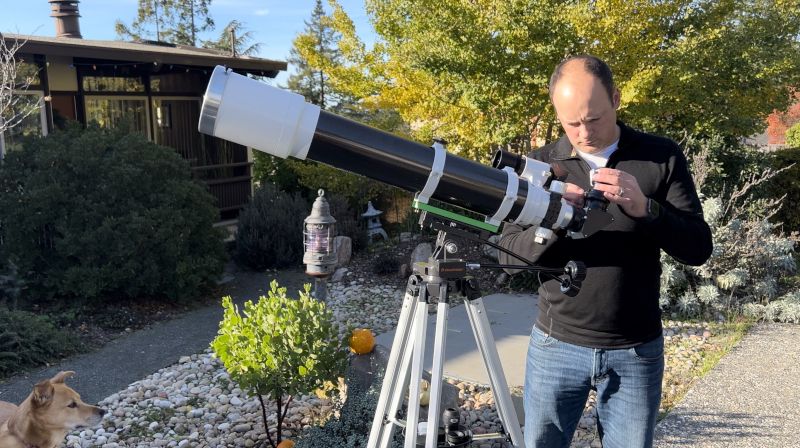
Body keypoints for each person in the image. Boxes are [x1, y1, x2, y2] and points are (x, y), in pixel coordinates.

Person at [498, 55, 713, 448]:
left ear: (615, 98)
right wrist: (554, 220)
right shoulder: (541, 165)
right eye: (570, 122)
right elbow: (508, 259)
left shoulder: (660, 156)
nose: (583, 132)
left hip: (636, 349)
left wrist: (647, 209)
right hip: (555, 345)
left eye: (593, 119)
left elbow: (698, 248)